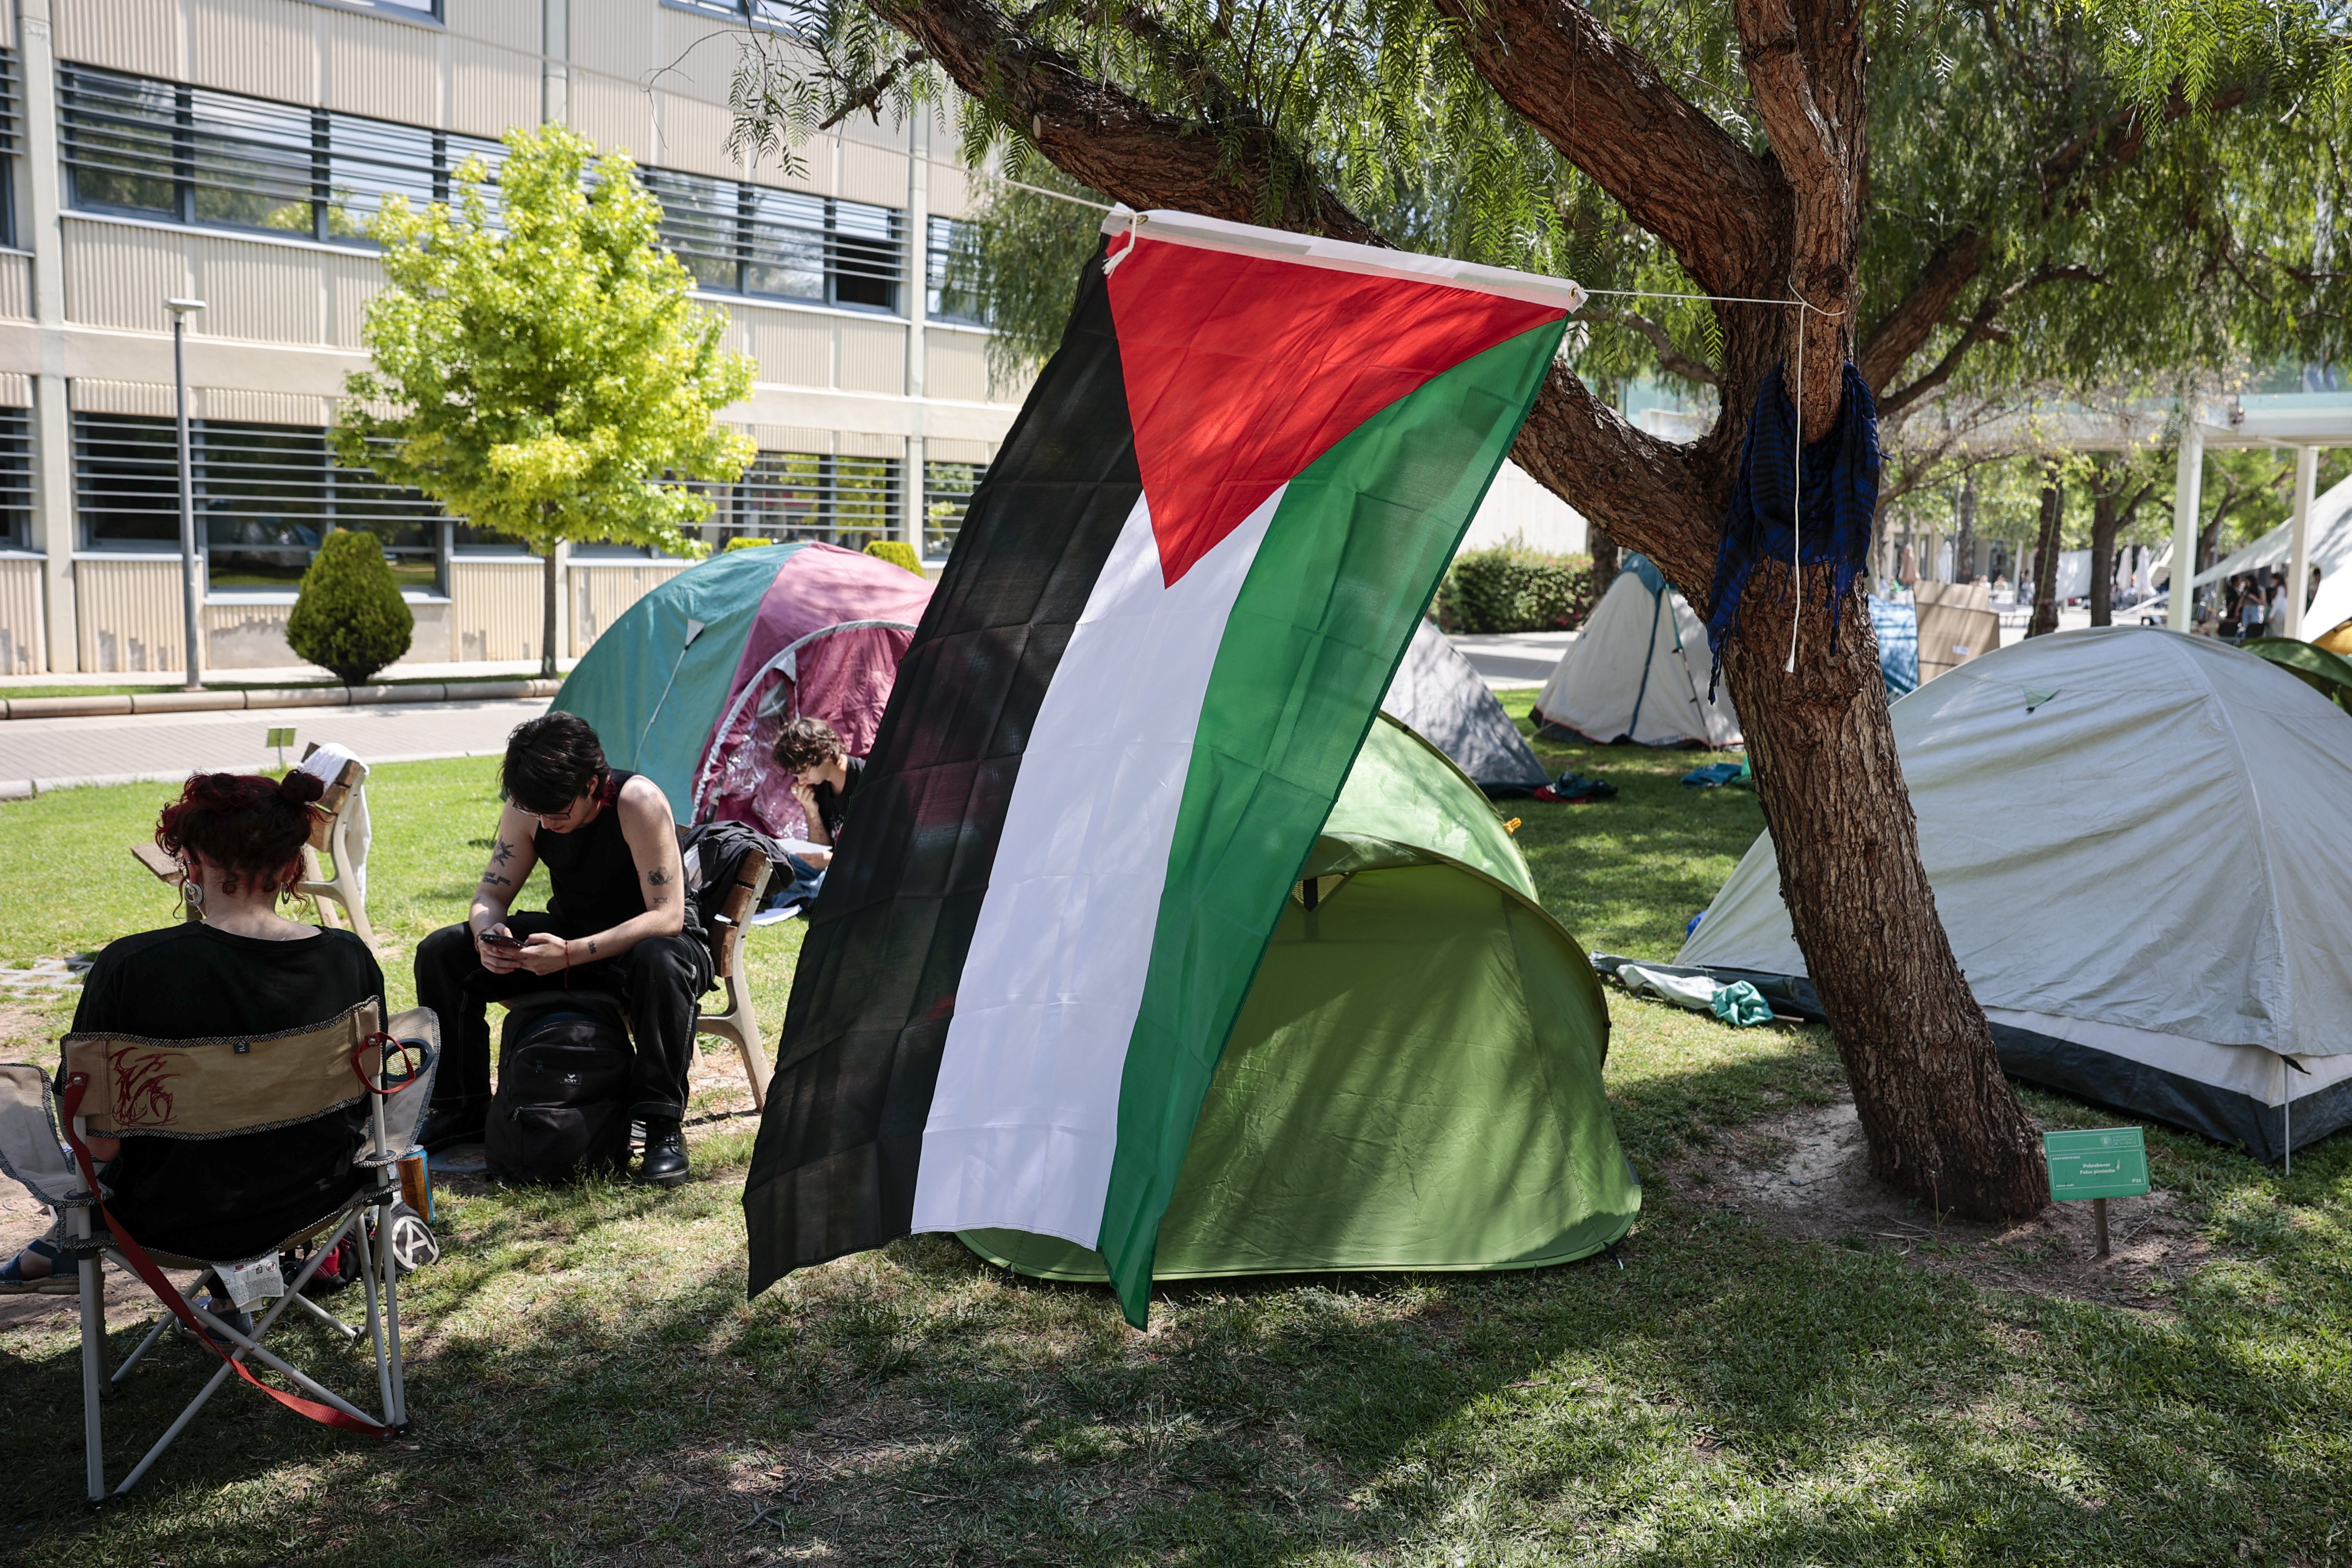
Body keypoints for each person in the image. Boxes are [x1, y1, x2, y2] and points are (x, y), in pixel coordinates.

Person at [0, 772, 384, 1302]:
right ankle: (230, 1300)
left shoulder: (132, 967)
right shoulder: (349, 957)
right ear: (292, 865)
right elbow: (365, 1104)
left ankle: (58, 1248)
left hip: (164, 1217)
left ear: (192, 862)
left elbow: (98, 1143)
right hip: (316, 1200)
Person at [413, 714, 709, 1185]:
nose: (548, 823)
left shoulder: (638, 801)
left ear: (592, 784)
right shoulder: (529, 808)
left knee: (660, 961)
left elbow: (667, 916)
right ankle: (461, 1107)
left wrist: (570, 953)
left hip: (651, 943)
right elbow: (491, 894)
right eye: (539, 813)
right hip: (570, 936)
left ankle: (660, 1125)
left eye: (558, 812)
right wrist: (488, 936)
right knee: (442, 952)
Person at [766, 717, 864, 910]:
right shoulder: (819, 785)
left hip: (862, 871)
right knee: (774, 861)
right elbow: (821, 847)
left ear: (824, 755)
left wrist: (833, 861)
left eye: (804, 772)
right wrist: (811, 810)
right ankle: (808, 899)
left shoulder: (868, 781)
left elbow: (885, 853)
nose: (801, 781)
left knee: (843, 883)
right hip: (832, 870)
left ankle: (804, 898)